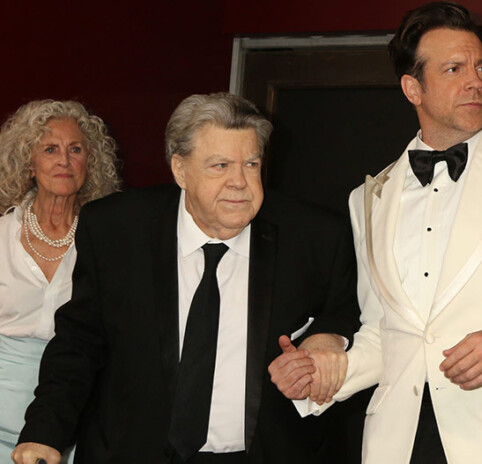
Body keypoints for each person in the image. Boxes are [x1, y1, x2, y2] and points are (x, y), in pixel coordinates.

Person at [271, 2, 482, 463]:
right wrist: (322, 373)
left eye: (481, 67)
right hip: (395, 445)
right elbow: (384, 334)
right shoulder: (367, 198)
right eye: (453, 69)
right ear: (413, 88)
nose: (475, 81)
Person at [11, 93, 360, 464]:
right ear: (180, 170)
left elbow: (349, 312)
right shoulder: (115, 229)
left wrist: (327, 338)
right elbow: (79, 343)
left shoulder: (315, 236)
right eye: (220, 166)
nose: (239, 182)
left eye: (251, 164)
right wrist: (44, 433)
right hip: (134, 453)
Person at [0, 99, 120, 463]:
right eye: (50, 149)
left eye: (75, 149)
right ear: (29, 163)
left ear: (90, 162)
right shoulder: (2, 236)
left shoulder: (111, 243)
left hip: (76, 417)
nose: (64, 161)